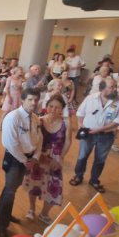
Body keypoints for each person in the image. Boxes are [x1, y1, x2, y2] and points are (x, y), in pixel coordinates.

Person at [0, 88, 43, 237]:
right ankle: (2, 225)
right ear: (22, 100)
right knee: (10, 191)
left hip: (27, 159)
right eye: (30, 99)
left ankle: (0, 209)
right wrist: (25, 160)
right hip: (15, 158)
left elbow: (39, 139)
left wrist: (35, 158)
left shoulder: (35, 118)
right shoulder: (13, 117)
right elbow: (10, 143)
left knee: (12, 187)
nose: (33, 103)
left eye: (36, 100)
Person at [70, 77, 119, 193]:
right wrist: (80, 124)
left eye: (115, 87)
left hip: (106, 135)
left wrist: (100, 129)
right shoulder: (91, 98)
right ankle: (78, 176)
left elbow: (118, 121)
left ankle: (94, 180)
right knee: (82, 156)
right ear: (102, 89)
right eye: (112, 87)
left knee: (100, 159)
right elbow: (80, 112)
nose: (115, 89)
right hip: (88, 133)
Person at [23, 96, 71, 225]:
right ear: (46, 106)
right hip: (40, 157)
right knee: (34, 184)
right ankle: (31, 209)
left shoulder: (66, 122)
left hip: (55, 160)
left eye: (57, 107)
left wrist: (61, 158)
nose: (53, 110)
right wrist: (36, 157)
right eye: (51, 106)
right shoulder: (40, 121)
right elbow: (34, 139)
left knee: (54, 187)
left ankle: (44, 213)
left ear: (62, 109)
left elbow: (68, 142)